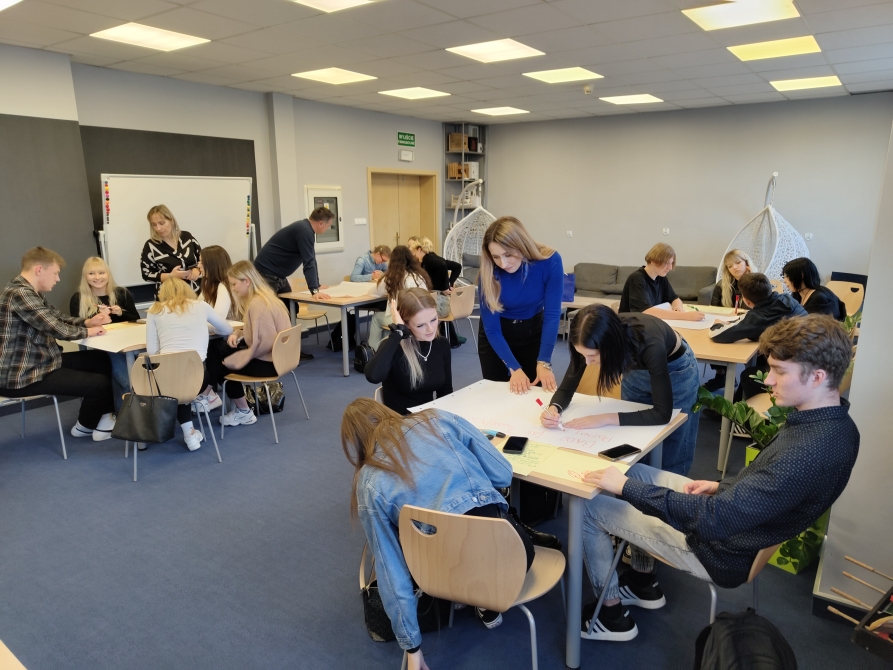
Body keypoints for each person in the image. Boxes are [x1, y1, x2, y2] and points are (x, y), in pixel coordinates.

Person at [576, 315, 858, 642]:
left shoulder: (806, 453)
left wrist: (626, 489)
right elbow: (770, 488)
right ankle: (642, 583)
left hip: (719, 549)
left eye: (779, 371)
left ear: (818, 377)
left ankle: (611, 616)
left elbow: (714, 519)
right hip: (737, 523)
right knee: (632, 472)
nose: (768, 380)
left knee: (588, 506)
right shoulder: (834, 426)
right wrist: (722, 486)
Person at [341, 398, 534, 669]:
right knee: (489, 530)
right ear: (387, 412)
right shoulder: (437, 419)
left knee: (410, 543)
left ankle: (467, 594)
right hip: (512, 560)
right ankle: (485, 600)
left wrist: (412, 647)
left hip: (438, 578)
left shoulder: (368, 481)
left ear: (356, 442)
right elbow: (503, 474)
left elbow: (389, 569)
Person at [541, 304, 701, 476]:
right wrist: (553, 409)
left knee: (674, 447)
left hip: (674, 370)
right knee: (633, 441)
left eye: (592, 356)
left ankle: (673, 491)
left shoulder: (650, 344)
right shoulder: (588, 339)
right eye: (582, 355)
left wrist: (605, 418)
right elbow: (567, 388)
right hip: (634, 367)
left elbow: (662, 414)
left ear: (610, 346)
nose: (587, 362)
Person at [0, 247, 115, 441]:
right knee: (100, 384)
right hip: (22, 375)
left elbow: (56, 316)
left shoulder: (28, 291)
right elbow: (56, 328)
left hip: (40, 363)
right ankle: (85, 426)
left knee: (99, 359)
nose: (58, 279)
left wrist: (87, 322)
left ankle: (104, 419)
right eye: (55, 273)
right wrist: (90, 331)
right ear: (39, 270)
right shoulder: (20, 293)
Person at [146, 278, 233, 451]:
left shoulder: (154, 310)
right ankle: (190, 434)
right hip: (199, 377)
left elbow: (152, 352)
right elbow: (227, 329)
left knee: (176, 384)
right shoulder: (201, 306)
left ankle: (189, 433)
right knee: (183, 385)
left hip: (166, 378)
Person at [479, 216, 563, 395]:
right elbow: (492, 330)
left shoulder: (550, 260)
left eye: (508, 254)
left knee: (532, 394)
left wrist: (544, 361)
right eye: (496, 257)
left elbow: (552, 316)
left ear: (521, 245)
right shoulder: (488, 272)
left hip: (532, 331)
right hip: (497, 336)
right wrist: (514, 368)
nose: (503, 264)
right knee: (497, 395)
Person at [204, 261, 291, 428]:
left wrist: (239, 356)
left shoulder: (256, 305)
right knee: (221, 351)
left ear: (247, 281)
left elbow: (263, 343)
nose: (233, 289)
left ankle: (239, 409)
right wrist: (238, 333)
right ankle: (208, 395)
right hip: (281, 358)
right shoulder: (267, 298)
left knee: (222, 361)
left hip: (270, 363)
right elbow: (258, 331)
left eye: (234, 284)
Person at [708, 273, 808, 400]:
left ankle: (744, 410)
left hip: (796, 373)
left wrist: (717, 324)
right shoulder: (786, 299)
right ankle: (737, 402)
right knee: (759, 358)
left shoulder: (758, 318)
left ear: (746, 301)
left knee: (748, 376)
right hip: (810, 359)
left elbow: (717, 334)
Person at [364, 289, 452, 415]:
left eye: (433, 320)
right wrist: (398, 332)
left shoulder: (441, 344)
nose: (430, 329)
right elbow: (373, 376)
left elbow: (445, 391)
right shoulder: (394, 347)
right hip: (400, 420)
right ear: (406, 324)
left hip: (428, 418)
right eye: (420, 325)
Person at [70, 256, 140, 412]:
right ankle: (128, 412)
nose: (97, 277)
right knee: (126, 379)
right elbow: (76, 326)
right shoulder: (78, 298)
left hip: (126, 343)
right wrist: (96, 317)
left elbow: (136, 319)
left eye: (101, 273)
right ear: (85, 276)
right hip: (101, 347)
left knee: (141, 369)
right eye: (91, 273)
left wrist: (121, 313)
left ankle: (129, 411)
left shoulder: (122, 293)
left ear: (108, 274)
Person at [254, 207, 333, 300]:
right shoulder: (305, 231)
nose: (328, 228)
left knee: (291, 306)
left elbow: (312, 259)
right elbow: (309, 262)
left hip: (277, 275)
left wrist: (316, 286)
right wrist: (314, 291)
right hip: (267, 274)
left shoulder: (305, 228)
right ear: (321, 223)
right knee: (273, 307)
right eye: (328, 225)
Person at [619, 243, 705, 323]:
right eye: (667, 263)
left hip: (649, 324)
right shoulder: (637, 278)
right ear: (653, 261)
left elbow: (674, 298)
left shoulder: (661, 278)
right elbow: (646, 311)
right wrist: (684, 316)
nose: (670, 268)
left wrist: (678, 308)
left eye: (671, 263)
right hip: (630, 327)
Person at [366, 246, 431, 351]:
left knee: (376, 318)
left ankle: (373, 351)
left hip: (404, 318)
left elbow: (374, 293)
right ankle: (389, 348)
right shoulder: (419, 275)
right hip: (422, 315)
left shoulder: (392, 277)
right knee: (388, 322)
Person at [409, 237, 463, 348]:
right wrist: (450, 283)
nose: (414, 254)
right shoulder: (434, 258)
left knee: (413, 313)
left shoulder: (429, 261)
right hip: (443, 303)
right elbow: (457, 267)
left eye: (414, 251)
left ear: (419, 249)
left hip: (440, 305)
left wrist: (445, 286)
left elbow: (442, 265)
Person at [140, 204, 202, 297]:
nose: (158, 228)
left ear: (171, 221)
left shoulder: (187, 237)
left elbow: (203, 260)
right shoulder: (150, 246)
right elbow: (146, 274)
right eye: (154, 225)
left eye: (161, 223)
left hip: (194, 292)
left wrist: (197, 269)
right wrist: (171, 276)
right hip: (168, 295)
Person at [198, 245, 236, 321]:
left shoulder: (223, 286)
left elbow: (217, 320)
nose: (198, 265)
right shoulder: (209, 283)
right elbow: (197, 308)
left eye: (202, 262)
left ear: (213, 264)